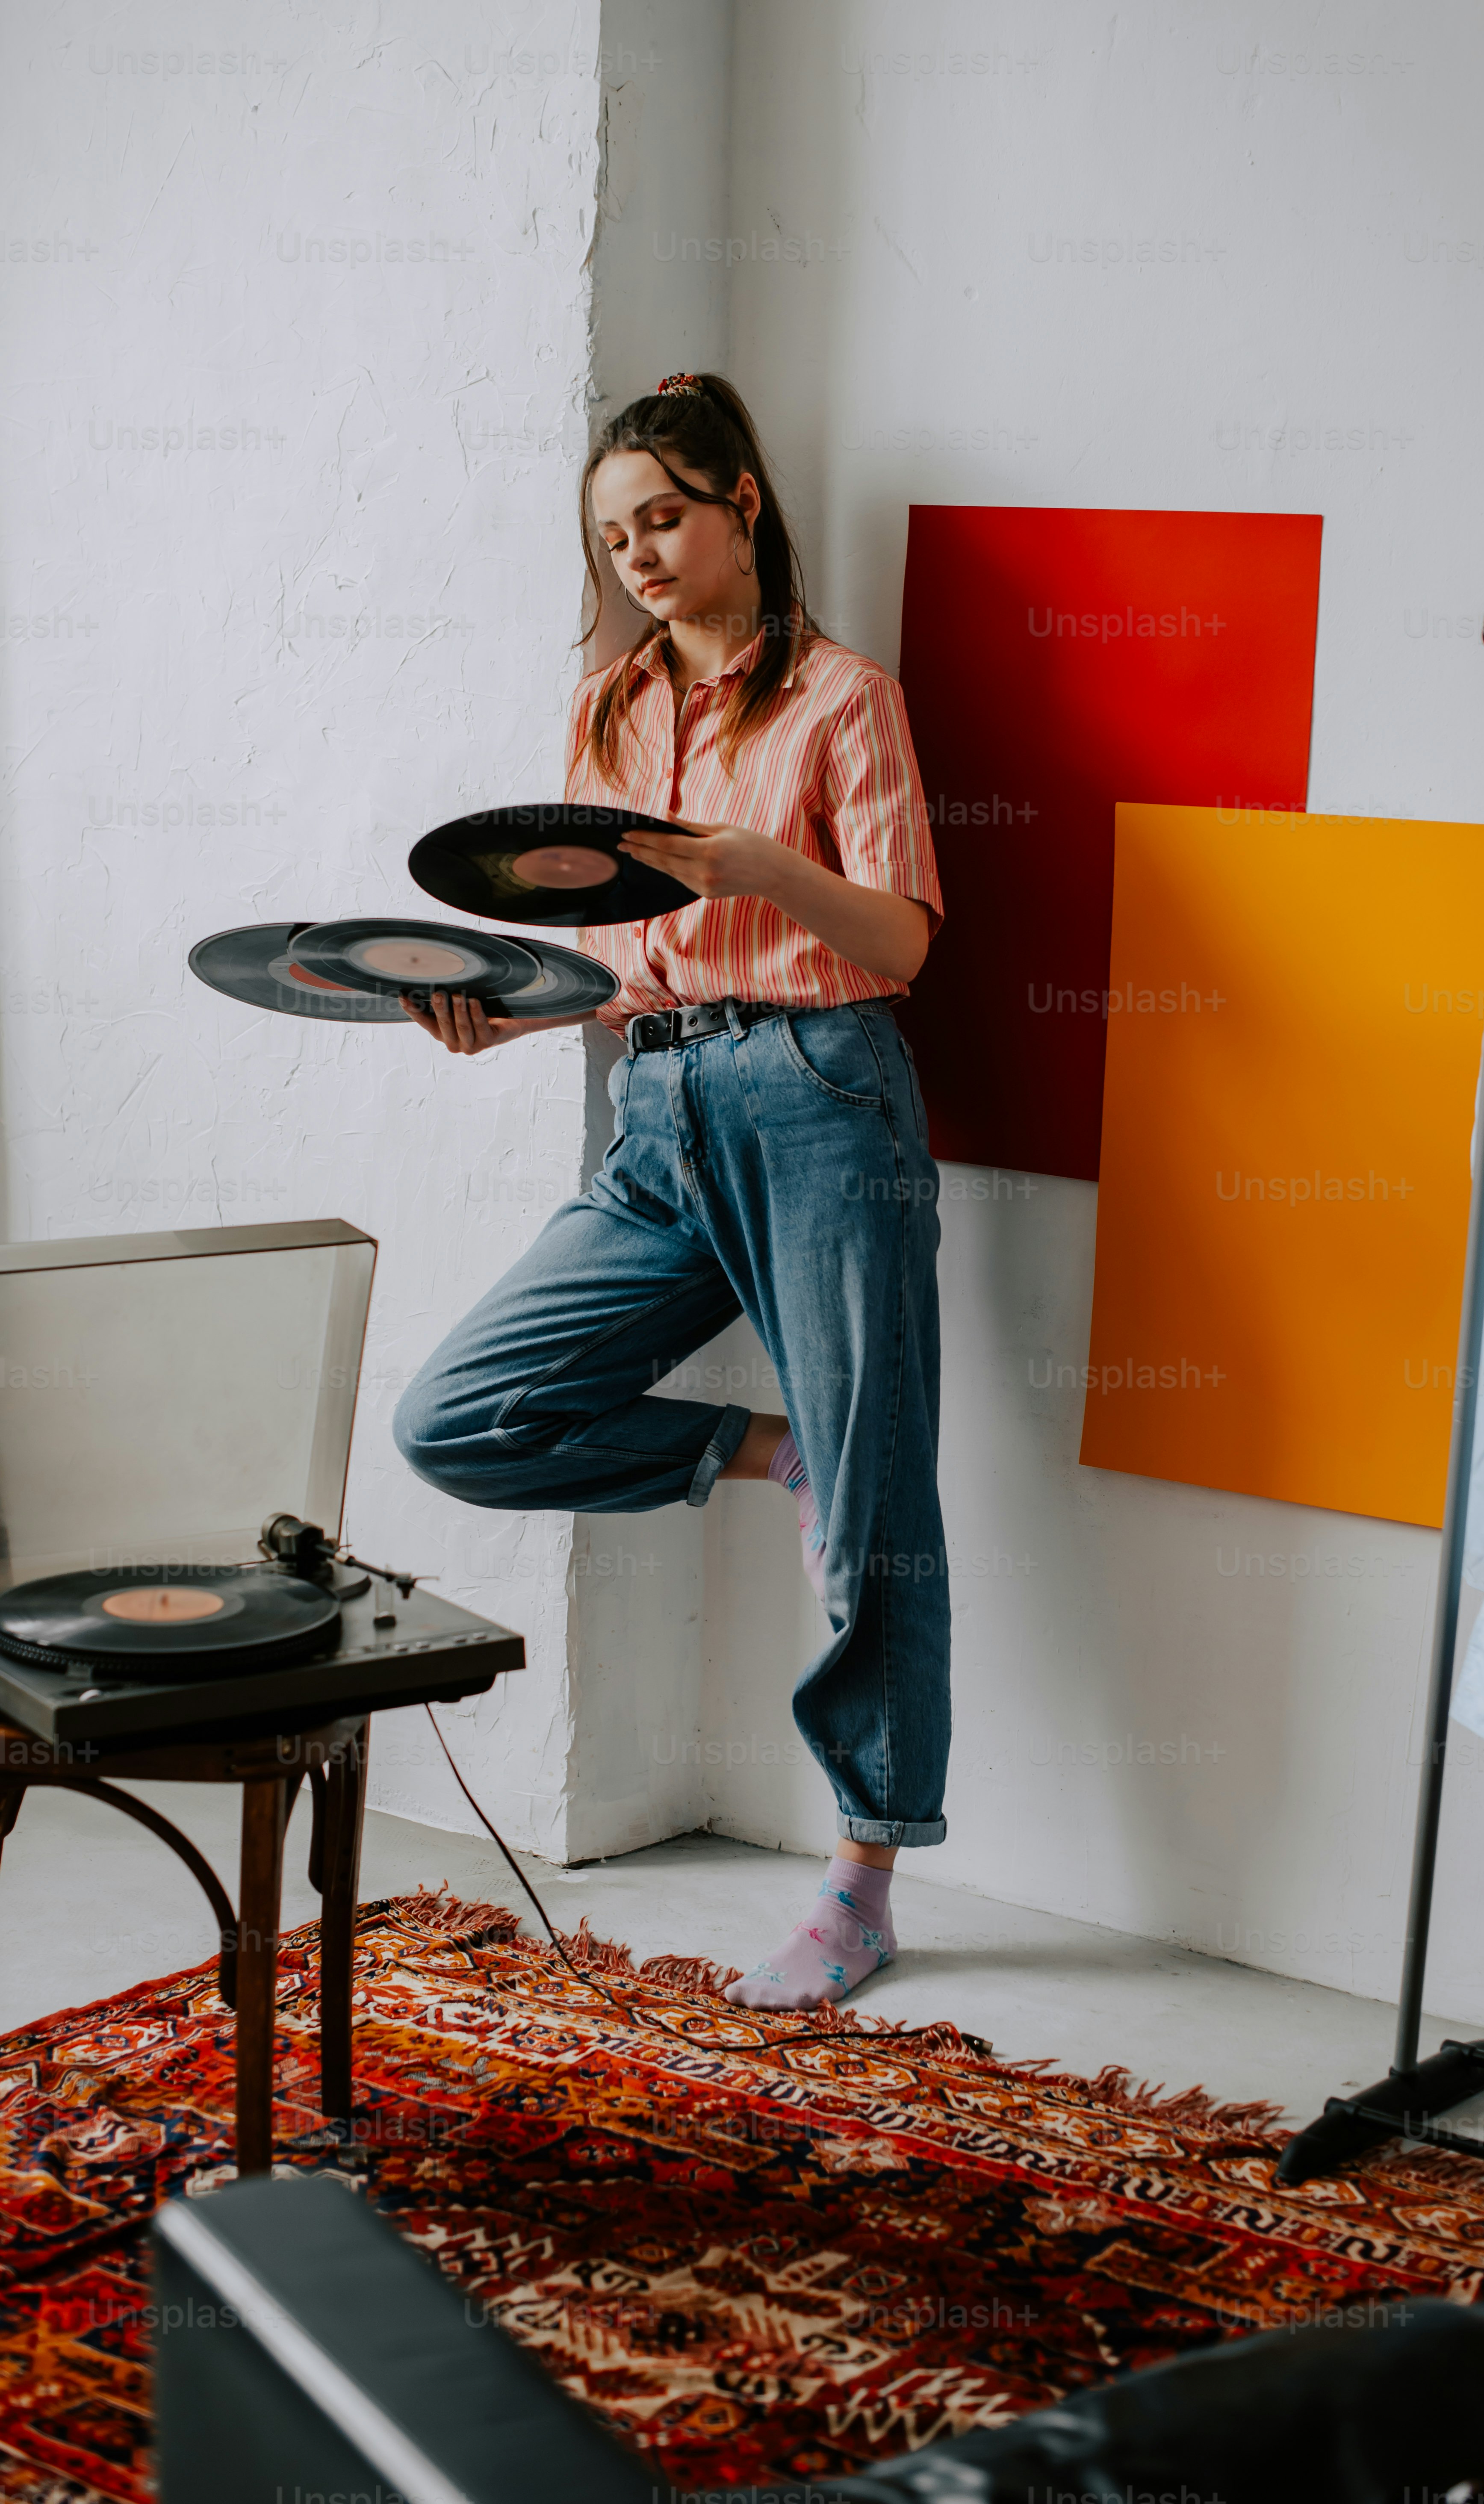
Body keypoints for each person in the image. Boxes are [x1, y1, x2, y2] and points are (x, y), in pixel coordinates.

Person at [391, 372, 948, 2009]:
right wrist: (500, 1019)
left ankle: (864, 1873)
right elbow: (616, 965)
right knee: (460, 1415)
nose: (638, 550)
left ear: (740, 506)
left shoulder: (845, 698)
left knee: (881, 1514)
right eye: (612, 531)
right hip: (659, 1105)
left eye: (661, 515)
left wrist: (765, 867)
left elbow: (904, 942)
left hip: (826, 1094)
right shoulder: (608, 709)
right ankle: (766, 1451)